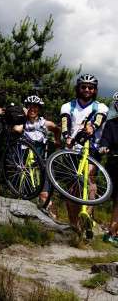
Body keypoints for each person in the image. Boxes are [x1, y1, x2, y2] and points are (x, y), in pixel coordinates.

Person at [60, 74, 108, 229]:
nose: (87, 89)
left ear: (95, 90)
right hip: (72, 148)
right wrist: (66, 136)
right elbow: (65, 121)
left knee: (89, 179)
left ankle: (86, 215)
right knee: (72, 189)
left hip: (92, 149)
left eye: (90, 87)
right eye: (83, 86)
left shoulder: (100, 107)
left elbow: (99, 119)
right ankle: (74, 224)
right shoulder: (68, 106)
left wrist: (92, 127)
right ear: (78, 88)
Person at [13, 95, 60, 208]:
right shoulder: (22, 121)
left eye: (35, 107)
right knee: (23, 189)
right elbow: (16, 129)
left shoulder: (44, 123)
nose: (32, 109)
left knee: (44, 192)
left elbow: (57, 129)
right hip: (24, 157)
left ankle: (49, 212)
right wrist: (22, 117)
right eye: (29, 107)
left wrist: (57, 141)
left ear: (39, 109)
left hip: (40, 157)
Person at [99, 92, 118, 245]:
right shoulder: (111, 124)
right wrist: (104, 147)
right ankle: (111, 233)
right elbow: (105, 140)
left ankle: (112, 232)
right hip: (115, 164)